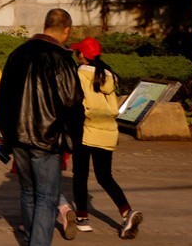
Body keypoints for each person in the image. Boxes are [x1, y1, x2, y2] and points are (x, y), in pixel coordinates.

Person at [0, 9, 84, 246]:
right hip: (47, 135)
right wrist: (76, 138)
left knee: (27, 191)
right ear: (66, 30)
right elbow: (72, 101)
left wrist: (2, 131)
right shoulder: (61, 58)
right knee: (47, 196)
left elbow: (3, 95)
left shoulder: (18, 53)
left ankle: (31, 237)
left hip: (18, 134)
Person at [71, 37, 143, 240]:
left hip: (85, 130)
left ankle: (82, 218)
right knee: (105, 177)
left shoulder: (79, 73)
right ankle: (127, 212)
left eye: (78, 52)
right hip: (108, 131)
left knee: (80, 175)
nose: (77, 55)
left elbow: (74, 102)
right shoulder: (107, 75)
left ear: (82, 56)